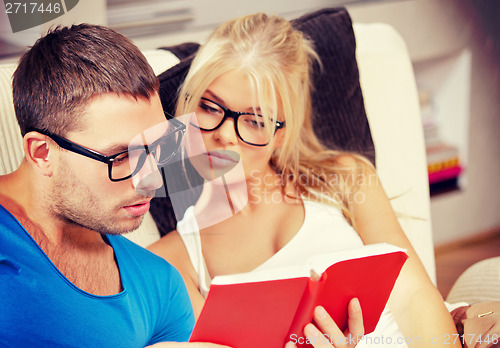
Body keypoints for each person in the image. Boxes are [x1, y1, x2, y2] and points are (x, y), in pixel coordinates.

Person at [147, 13, 463, 347]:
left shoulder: (347, 180)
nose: (225, 135)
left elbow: (414, 295)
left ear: (281, 134)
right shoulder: (176, 259)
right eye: (210, 107)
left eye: (255, 121)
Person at [0, 24, 228, 347]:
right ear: (43, 153)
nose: (152, 179)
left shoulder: (161, 287)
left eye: (159, 147)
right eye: (121, 157)